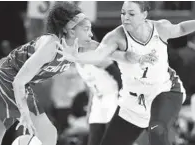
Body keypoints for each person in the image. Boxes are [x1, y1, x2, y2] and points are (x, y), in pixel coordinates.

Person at [57, 1, 195, 145]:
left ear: (144, 15)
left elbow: (180, 28)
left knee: (157, 130)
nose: (125, 17)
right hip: (134, 101)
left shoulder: (159, 28)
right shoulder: (116, 37)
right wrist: (75, 57)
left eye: (131, 13)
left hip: (165, 91)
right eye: (123, 13)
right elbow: (99, 55)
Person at [0, 2, 96, 145]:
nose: (91, 34)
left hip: (16, 81)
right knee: (47, 133)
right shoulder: (51, 45)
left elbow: (108, 48)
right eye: (87, 29)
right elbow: (18, 81)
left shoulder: (78, 46)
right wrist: (24, 111)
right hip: (7, 77)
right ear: (71, 31)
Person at [75, 61, 122, 145]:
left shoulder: (97, 56)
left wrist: (122, 101)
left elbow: (119, 77)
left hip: (113, 97)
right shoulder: (77, 64)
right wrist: (89, 109)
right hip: (98, 99)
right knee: (94, 137)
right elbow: (91, 87)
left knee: (112, 137)